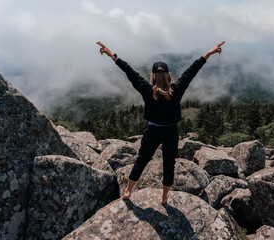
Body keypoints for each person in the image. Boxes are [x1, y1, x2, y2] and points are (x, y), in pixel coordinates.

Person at [96, 40, 225, 205]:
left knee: (141, 160)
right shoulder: (177, 89)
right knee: (168, 164)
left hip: (153, 131)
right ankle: (164, 197)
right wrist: (210, 52)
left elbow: (129, 71)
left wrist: (110, 54)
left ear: (153, 76)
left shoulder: (147, 89)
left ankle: (128, 191)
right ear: (168, 75)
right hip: (171, 131)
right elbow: (193, 69)